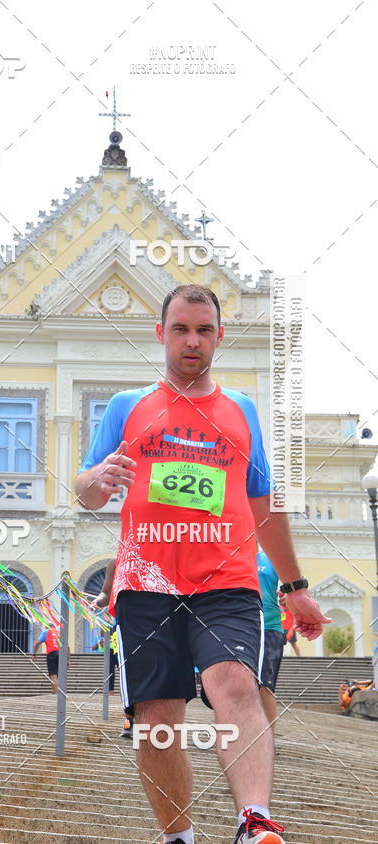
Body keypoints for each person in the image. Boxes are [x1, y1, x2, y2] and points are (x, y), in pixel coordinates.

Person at [74, 284, 330, 844]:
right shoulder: (126, 407)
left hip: (227, 581)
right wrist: (99, 480)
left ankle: (253, 821)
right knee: (158, 722)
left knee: (235, 684)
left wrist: (295, 586)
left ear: (218, 336)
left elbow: (263, 504)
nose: (193, 341)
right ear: (160, 333)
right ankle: (178, 837)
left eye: (205, 330)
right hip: (148, 585)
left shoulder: (240, 412)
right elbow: (85, 490)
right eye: (182, 329)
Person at [257, 550, 286, 729]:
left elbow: (289, 587)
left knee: (265, 685)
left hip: (269, 628)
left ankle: (268, 739)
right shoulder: (232, 554)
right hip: (241, 627)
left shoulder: (272, 556)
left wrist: (287, 596)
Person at [31, 626, 69, 694]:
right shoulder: (59, 632)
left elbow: (37, 643)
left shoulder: (46, 631)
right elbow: (68, 647)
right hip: (61, 654)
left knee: (53, 676)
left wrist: (34, 654)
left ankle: (55, 694)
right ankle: (61, 695)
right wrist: (68, 659)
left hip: (52, 654)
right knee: (61, 676)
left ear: (46, 627)